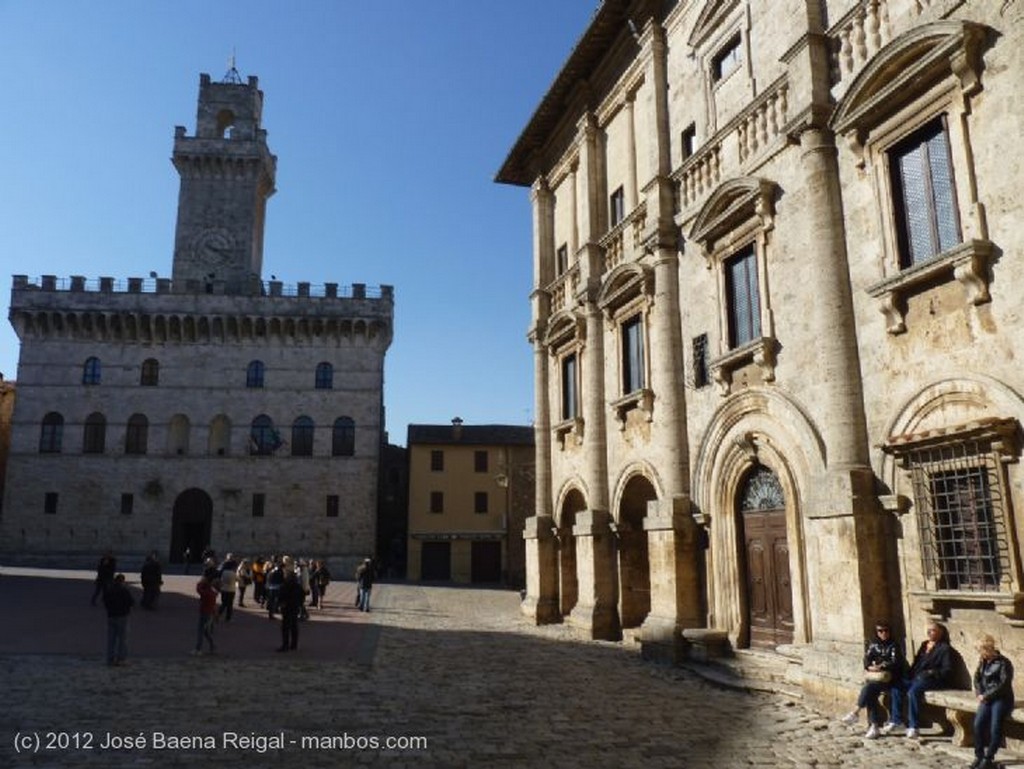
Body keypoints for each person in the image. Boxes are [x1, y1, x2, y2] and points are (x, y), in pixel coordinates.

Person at [883, 621, 953, 738]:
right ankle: (897, 721)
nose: (930, 633)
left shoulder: (944, 648)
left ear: (940, 633)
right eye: (928, 630)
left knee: (913, 692)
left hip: (932, 680)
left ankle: (914, 726)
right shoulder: (924, 644)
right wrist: (909, 674)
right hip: (916, 677)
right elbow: (916, 663)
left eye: (933, 630)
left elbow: (947, 670)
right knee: (897, 687)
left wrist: (930, 673)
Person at [840, 621, 905, 738]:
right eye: (880, 631)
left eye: (886, 630)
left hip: (892, 678)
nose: (884, 633)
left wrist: (881, 666)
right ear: (877, 633)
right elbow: (867, 659)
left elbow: (896, 662)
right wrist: (870, 667)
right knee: (870, 692)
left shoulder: (894, 645)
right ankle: (874, 725)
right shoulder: (874, 644)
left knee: (869, 689)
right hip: (878, 678)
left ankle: (856, 713)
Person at [971, 634, 1014, 769]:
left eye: (981, 650)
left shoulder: (1004, 663)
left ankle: (989, 757)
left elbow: (1004, 684)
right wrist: (979, 693)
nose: (980, 654)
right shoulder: (983, 661)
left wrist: (987, 695)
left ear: (988, 648)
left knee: (995, 727)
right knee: (978, 724)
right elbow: (977, 678)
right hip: (986, 698)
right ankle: (979, 755)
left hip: (1001, 698)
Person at [102, 573, 134, 666]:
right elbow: (131, 602)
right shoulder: (124, 591)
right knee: (123, 639)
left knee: (111, 639)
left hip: (111, 616)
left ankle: (110, 658)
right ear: (123, 581)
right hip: (122, 616)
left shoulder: (109, 590)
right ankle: (121, 659)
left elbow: (105, 601)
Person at [277, 567, 304, 652]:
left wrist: (280, 604)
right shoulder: (298, 586)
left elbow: (281, 597)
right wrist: (299, 604)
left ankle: (285, 645)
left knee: (285, 627)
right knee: (294, 626)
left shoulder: (284, 585)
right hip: (295, 607)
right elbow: (302, 597)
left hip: (287, 608)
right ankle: (294, 644)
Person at [193, 574, 218, 655]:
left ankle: (198, 649)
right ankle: (212, 645)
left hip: (205, 612)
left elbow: (199, 589)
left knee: (200, 631)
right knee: (205, 631)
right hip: (210, 613)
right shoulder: (213, 592)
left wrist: (200, 582)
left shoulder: (207, 592)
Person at [217, 553, 239, 621]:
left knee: (225, 603)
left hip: (225, 588)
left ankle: (221, 615)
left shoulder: (224, 565)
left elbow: (219, 574)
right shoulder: (227, 565)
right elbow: (237, 578)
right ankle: (225, 617)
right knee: (228, 603)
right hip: (230, 588)